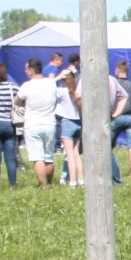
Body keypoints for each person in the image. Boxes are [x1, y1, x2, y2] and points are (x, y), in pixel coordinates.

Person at [15, 58, 64, 188]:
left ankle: (43, 186)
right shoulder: (51, 83)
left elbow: (17, 101)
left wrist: (24, 103)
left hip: (33, 124)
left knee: (38, 158)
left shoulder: (27, 86)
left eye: (26, 69)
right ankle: (49, 182)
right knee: (48, 157)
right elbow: (57, 98)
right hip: (49, 123)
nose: (25, 71)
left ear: (31, 70)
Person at [50, 55, 83, 184]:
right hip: (78, 122)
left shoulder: (61, 92)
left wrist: (57, 77)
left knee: (69, 154)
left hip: (67, 122)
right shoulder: (77, 92)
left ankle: (72, 180)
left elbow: (47, 86)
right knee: (76, 153)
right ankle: (81, 179)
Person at [107, 61, 131, 184]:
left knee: (107, 146)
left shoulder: (113, 83)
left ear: (117, 71)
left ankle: (112, 173)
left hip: (116, 117)